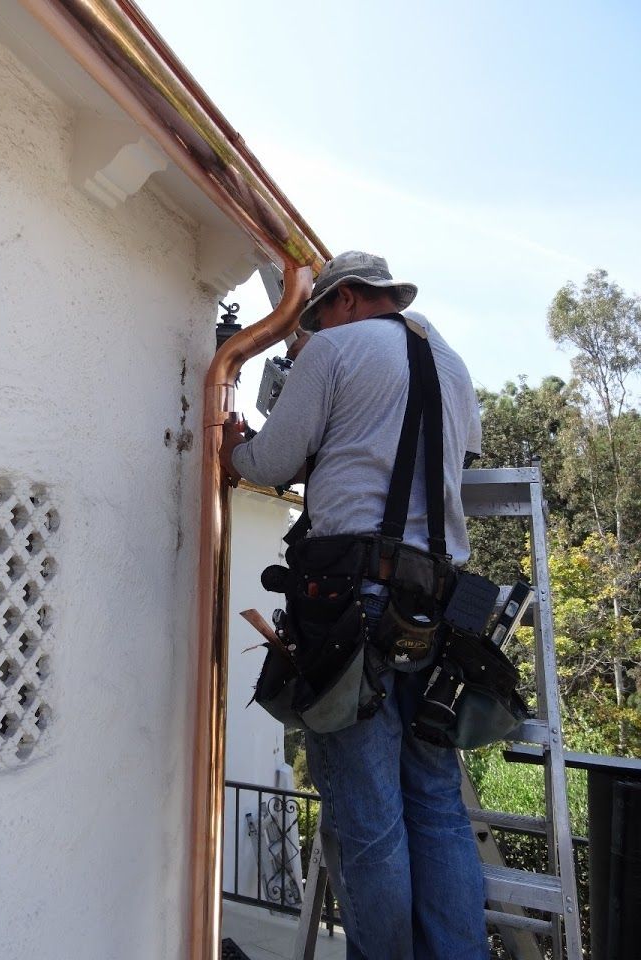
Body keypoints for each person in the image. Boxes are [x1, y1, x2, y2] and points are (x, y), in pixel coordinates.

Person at [220, 251, 487, 960]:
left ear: (344, 301)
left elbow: (270, 466)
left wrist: (234, 450)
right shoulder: (453, 366)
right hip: (435, 604)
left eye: (316, 316)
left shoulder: (335, 349)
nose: (309, 330)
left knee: (371, 821)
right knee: (436, 806)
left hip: (351, 604)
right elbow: (432, 460)